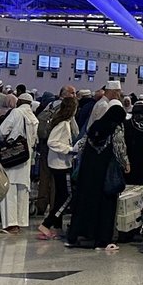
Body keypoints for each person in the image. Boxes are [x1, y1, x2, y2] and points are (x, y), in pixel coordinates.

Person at [66, 96, 123, 250]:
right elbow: (119, 150)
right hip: (105, 175)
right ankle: (102, 239)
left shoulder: (95, 126)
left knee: (84, 203)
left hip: (88, 173)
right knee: (105, 208)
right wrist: (126, 165)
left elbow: (82, 144)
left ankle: (76, 235)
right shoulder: (115, 129)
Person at [0, 91, 39, 232]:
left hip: (12, 157)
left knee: (9, 190)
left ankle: (11, 224)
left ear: (19, 102)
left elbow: (3, 130)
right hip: (26, 158)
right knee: (22, 190)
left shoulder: (16, 113)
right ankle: (21, 222)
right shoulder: (33, 117)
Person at [38, 89, 80, 238]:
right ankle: (47, 224)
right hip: (60, 165)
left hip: (59, 163)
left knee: (61, 196)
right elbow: (52, 142)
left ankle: (51, 223)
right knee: (67, 197)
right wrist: (69, 150)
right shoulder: (63, 124)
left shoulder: (63, 122)